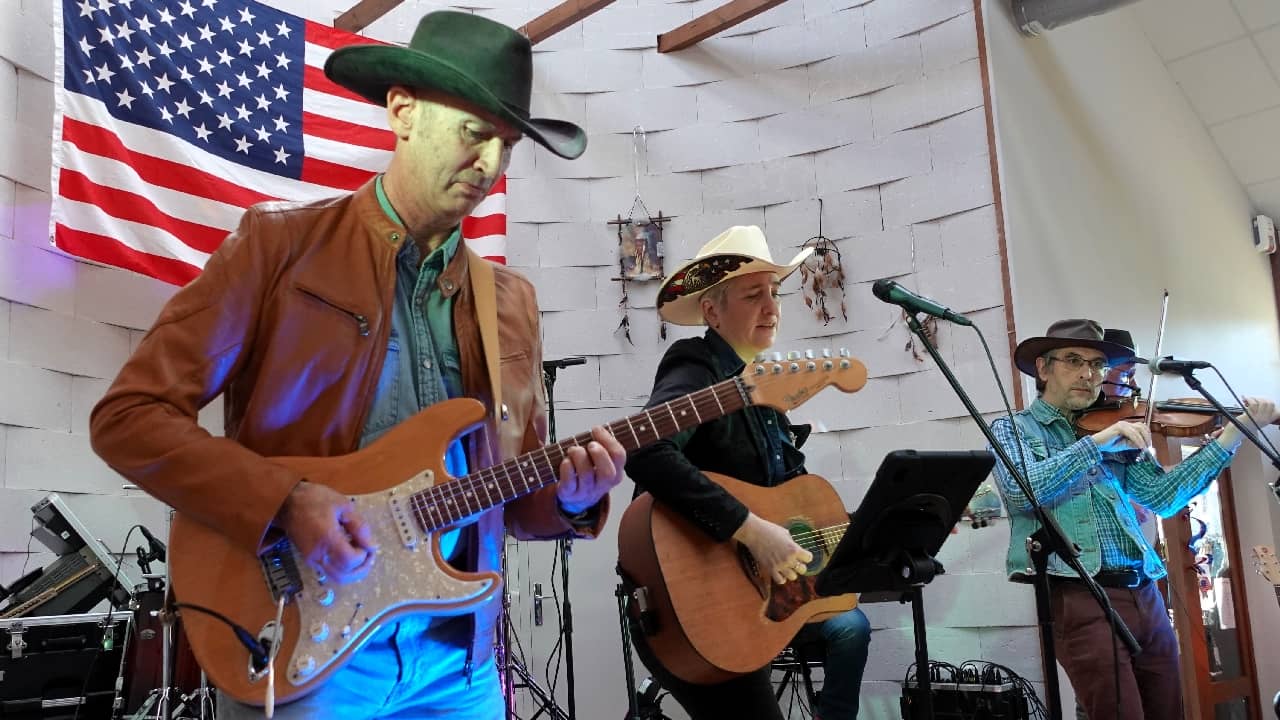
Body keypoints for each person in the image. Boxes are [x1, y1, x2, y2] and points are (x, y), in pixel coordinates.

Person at [89, 11, 626, 719]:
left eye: (506, 144)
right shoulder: (277, 246)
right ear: (402, 110)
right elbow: (129, 419)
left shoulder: (511, 303)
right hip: (306, 645)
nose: (490, 166)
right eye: (473, 133)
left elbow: (511, 498)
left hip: (456, 661)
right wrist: (284, 500)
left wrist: (571, 499)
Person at [624, 226, 872, 720]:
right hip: (698, 606)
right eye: (753, 294)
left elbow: (796, 506)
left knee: (851, 627)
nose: (771, 307)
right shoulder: (696, 365)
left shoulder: (769, 390)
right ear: (712, 312)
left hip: (760, 599)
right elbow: (645, 449)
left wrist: (886, 524)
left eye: (775, 293)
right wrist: (752, 530)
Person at [989, 318, 1279, 720]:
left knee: (1167, 710)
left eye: (1097, 365)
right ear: (1043, 368)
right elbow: (1022, 491)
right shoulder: (1016, 429)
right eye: (1073, 361)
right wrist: (1098, 444)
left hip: (1145, 590)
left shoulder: (1113, 425)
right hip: (1080, 591)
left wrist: (1233, 435)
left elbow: (1163, 497)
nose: (1088, 375)